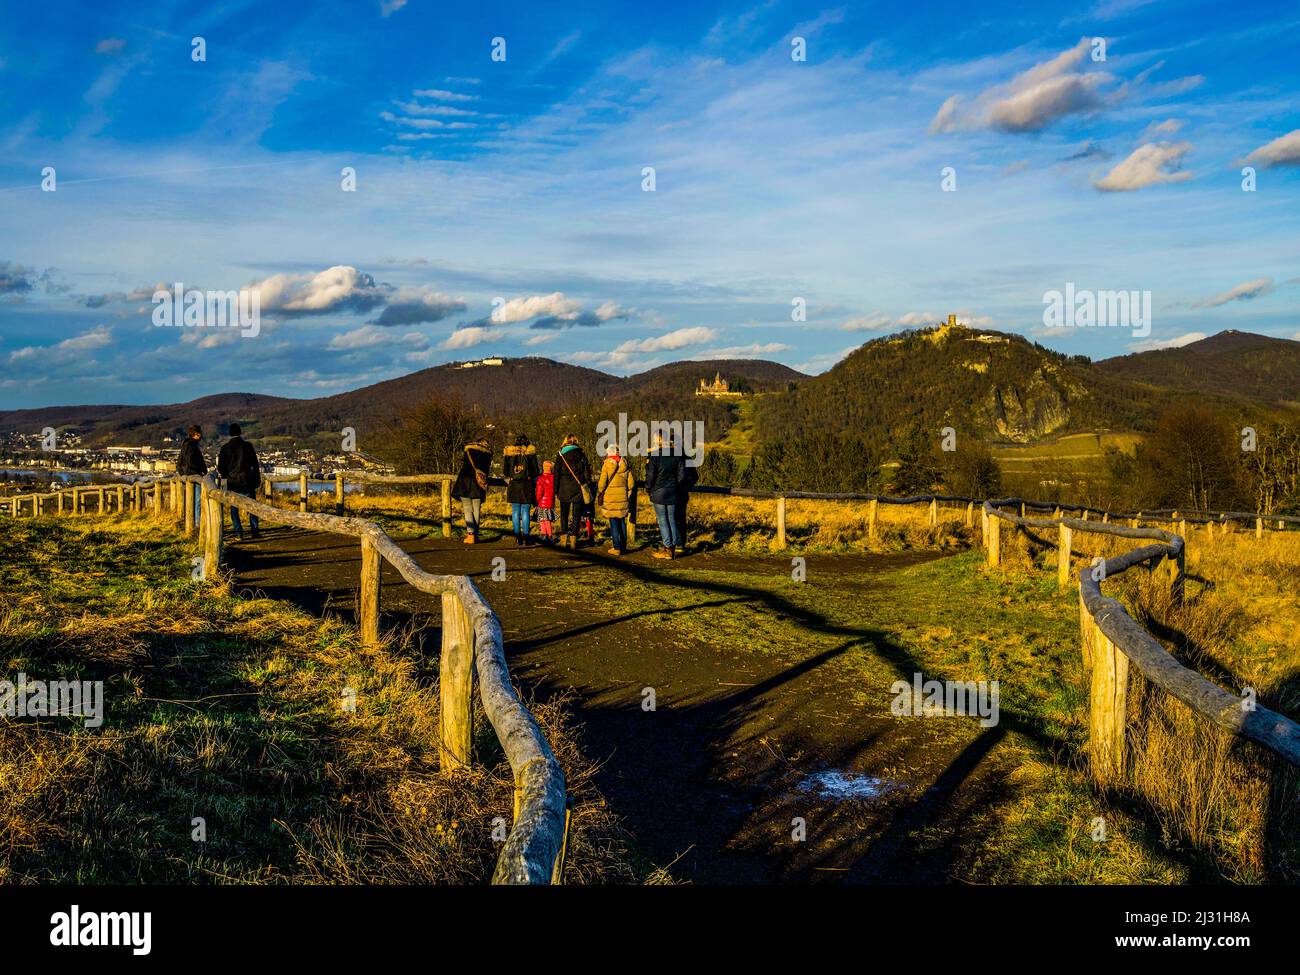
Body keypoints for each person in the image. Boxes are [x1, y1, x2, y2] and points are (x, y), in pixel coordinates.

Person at [216, 423, 261, 540]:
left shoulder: (225, 448)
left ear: (229, 433)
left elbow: (220, 467)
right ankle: (255, 530)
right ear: (240, 432)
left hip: (233, 481)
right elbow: (255, 464)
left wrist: (227, 475)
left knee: (234, 507)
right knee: (253, 506)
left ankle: (238, 532)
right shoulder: (248, 446)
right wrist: (257, 479)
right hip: (247, 479)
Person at [645, 433, 685, 559]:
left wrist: (648, 488)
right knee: (671, 519)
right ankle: (673, 547)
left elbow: (650, 475)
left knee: (662, 520)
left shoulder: (655, 456)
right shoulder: (677, 455)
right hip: (673, 490)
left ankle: (667, 548)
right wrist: (675, 485)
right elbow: (682, 475)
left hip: (659, 491)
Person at [553, 434, 592, 550]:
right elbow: (587, 472)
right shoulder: (581, 454)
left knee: (564, 514)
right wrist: (586, 483)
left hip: (564, 488)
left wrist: (556, 490)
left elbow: (557, 474)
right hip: (578, 488)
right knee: (576, 515)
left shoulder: (561, 455)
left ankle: (564, 540)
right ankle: (574, 541)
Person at [596, 444, 635, 556]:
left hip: (610, 498)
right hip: (622, 498)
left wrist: (601, 489)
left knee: (613, 523)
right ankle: (623, 547)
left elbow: (602, 484)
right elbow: (631, 484)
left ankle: (616, 547)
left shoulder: (607, 465)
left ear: (609, 453)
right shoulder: (625, 464)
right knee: (622, 522)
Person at [452, 436, 492, 543]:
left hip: (465, 481)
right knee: (476, 510)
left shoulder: (469, 450)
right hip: (479, 484)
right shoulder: (488, 454)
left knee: (467, 509)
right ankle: (475, 535)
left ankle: (470, 535)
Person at [503, 434, 539, 545]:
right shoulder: (530, 453)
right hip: (527, 485)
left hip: (514, 484)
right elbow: (536, 471)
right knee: (525, 511)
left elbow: (505, 471)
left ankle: (518, 536)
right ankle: (527, 536)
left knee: (515, 512)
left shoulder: (509, 453)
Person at [175, 424, 207, 524]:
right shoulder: (193, 446)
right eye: (200, 433)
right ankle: (197, 523)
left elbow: (180, 460)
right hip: (193, 475)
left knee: (189, 499)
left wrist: (181, 472)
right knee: (197, 500)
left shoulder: (185, 444)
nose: (201, 435)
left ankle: (189, 521)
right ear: (197, 434)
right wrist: (201, 471)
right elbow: (193, 461)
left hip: (185, 475)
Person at [676, 456, 699, 554]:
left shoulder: (670, 457)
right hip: (682, 494)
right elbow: (695, 477)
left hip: (672, 493)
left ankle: (674, 543)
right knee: (681, 519)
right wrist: (686, 486)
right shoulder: (687, 459)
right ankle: (681, 544)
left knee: (672, 519)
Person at [535, 460, 556, 544]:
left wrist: (536, 500)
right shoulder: (553, 478)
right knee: (547, 520)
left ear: (544, 468)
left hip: (542, 503)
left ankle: (545, 535)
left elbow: (539, 492)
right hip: (550, 502)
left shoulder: (541, 478)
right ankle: (549, 535)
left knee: (542, 519)